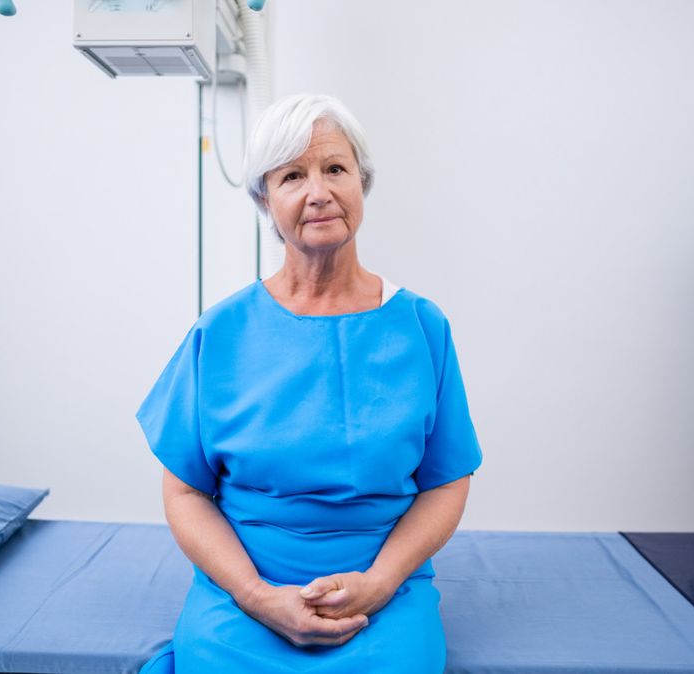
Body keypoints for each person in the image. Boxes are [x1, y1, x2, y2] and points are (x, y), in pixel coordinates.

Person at [136, 93, 482, 673]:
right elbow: (186, 493)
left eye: (335, 168)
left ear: (361, 183)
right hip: (244, 596)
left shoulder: (422, 326)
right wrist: (256, 595)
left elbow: (446, 482)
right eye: (292, 176)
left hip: (381, 597)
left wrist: (380, 582)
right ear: (265, 201)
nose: (318, 192)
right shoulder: (220, 332)